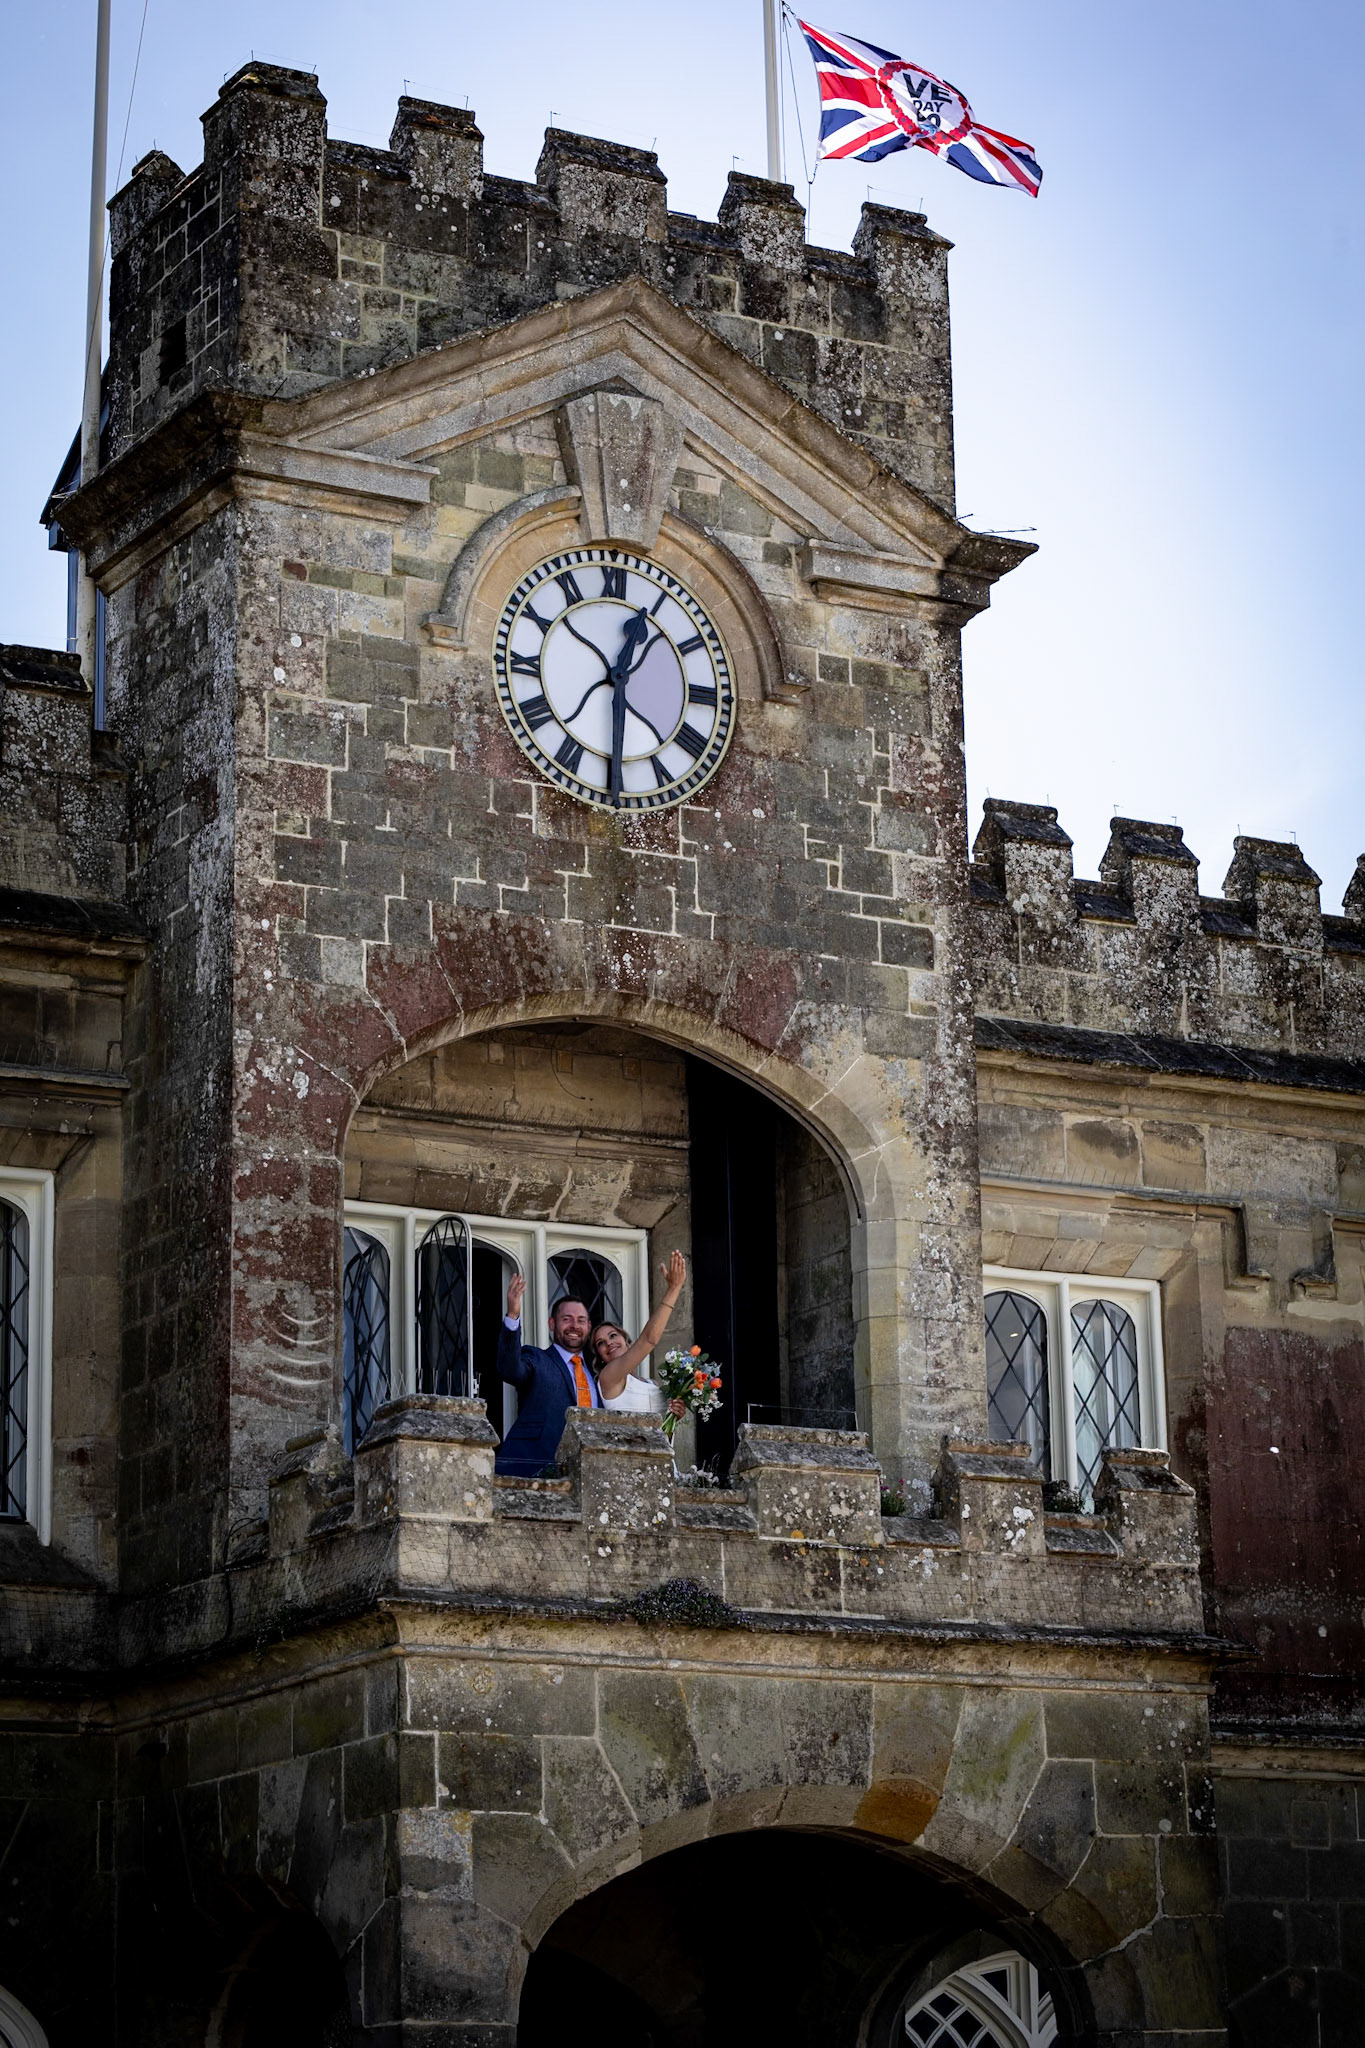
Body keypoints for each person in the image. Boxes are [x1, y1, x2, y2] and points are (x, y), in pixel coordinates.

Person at [493, 1277, 601, 1476]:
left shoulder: (598, 1375)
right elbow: (509, 1369)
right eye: (566, 1319)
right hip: (532, 1470)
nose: (574, 1326)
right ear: (552, 1323)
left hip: (587, 1474)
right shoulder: (536, 1358)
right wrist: (513, 1316)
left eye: (581, 1321)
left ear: (588, 1326)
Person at [591, 1250, 688, 1420]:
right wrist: (674, 1288)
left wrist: (676, 1414)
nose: (609, 1343)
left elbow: (662, 1424)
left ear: (626, 1341)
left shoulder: (651, 1383)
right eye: (600, 1343)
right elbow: (649, 1340)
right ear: (599, 1357)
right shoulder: (608, 1378)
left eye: (613, 1335)